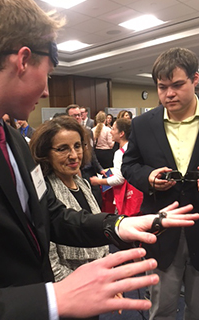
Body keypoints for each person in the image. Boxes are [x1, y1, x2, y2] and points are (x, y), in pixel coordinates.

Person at [0, 2, 198, 318]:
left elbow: (47, 216)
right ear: (24, 60)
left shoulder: (9, 137)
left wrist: (118, 224)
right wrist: (51, 300)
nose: (45, 93)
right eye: (49, 74)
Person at [121, 47, 199, 320]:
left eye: (177, 85)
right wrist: (149, 178)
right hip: (162, 229)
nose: (169, 94)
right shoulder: (143, 124)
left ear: (195, 79)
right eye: (162, 87)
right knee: (161, 309)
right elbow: (128, 165)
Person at [30, 116, 109, 319]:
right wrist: (86, 291)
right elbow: (51, 262)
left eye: (77, 146)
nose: (74, 155)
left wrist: (107, 278)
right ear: (45, 154)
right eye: (62, 149)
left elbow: (97, 232)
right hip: (70, 295)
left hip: (97, 285)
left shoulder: (82, 183)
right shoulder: (44, 192)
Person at [66, 104, 105, 208]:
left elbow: (91, 153)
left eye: (79, 115)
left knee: (97, 200)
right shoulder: (64, 135)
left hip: (90, 172)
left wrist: (100, 169)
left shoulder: (88, 131)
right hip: (75, 172)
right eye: (74, 116)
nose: (78, 117)